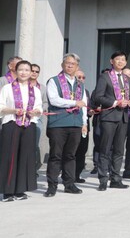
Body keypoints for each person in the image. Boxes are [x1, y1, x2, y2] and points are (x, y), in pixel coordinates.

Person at [44, 53, 88, 197]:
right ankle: (52, 185)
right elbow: (54, 100)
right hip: (58, 124)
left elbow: (84, 106)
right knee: (56, 155)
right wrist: (74, 103)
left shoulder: (80, 85)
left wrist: (84, 123)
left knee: (70, 155)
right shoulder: (54, 81)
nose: (69, 66)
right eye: (67, 63)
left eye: (73, 64)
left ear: (77, 67)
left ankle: (69, 183)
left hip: (75, 123)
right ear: (62, 65)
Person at [0, 60, 42, 201]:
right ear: (16, 71)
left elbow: (39, 108)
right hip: (11, 123)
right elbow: (1, 107)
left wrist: (35, 111)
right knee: (9, 157)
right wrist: (14, 110)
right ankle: (7, 191)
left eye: (26, 70)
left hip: (29, 125)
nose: (24, 72)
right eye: (21, 70)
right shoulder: (7, 88)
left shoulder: (35, 90)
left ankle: (20, 189)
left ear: (31, 73)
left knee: (25, 156)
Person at [93, 51, 130, 191]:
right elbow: (98, 97)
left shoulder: (127, 79)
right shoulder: (105, 77)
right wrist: (116, 102)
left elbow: (129, 96)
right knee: (105, 149)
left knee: (118, 149)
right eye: (118, 59)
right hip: (109, 117)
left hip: (123, 117)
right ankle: (103, 179)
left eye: (123, 59)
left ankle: (116, 178)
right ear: (112, 61)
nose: (121, 62)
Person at [74, 70, 94, 183]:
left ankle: (77, 174)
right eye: (79, 77)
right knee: (72, 151)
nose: (81, 79)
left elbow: (88, 107)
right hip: (72, 124)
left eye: (83, 77)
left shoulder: (85, 91)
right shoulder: (69, 90)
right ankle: (68, 175)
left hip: (84, 125)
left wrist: (90, 111)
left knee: (82, 150)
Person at [30, 63, 47, 172]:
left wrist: (40, 110)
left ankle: (33, 169)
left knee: (34, 144)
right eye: (33, 70)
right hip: (22, 117)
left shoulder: (42, 88)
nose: (34, 73)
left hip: (37, 118)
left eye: (37, 71)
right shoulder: (20, 85)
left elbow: (46, 102)